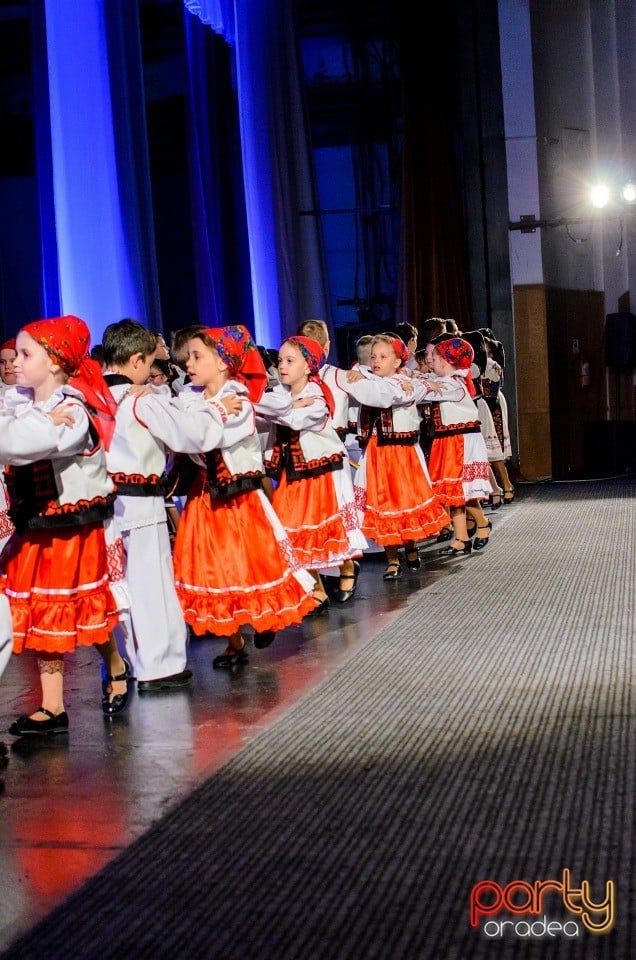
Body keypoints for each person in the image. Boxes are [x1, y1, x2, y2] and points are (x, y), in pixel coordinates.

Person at [0, 314, 130, 735]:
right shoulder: (25, 406)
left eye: (25, 354)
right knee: (38, 608)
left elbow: (24, 443)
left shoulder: (72, 408)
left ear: (55, 362)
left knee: (69, 604)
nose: (15, 363)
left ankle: (114, 664)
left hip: (68, 525)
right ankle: (54, 706)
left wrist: (30, 428)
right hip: (34, 522)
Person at [101, 319, 239, 692]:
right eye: (148, 363)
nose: (149, 372)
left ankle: (123, 662)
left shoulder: (90, 397)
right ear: (135, 360)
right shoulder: (139, 400)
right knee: (151, 586)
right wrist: (218, 411)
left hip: (103, 508)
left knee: (120, 587)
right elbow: (192, 436)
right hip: (141, 506)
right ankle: (159, 666)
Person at [172, 325, 317, 665]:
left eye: (197, 356)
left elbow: (203, 439)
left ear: (222, 363)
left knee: (246, 564)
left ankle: (261, 616)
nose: (189, 363)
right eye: (189, 356)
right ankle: (233, 639)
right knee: (211, 568)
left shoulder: (238, 400)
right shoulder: (189, 396)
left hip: (237, 497)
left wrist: (191, 422)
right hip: (204, 494)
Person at [263, 334, 368, 610]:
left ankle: (346, 567)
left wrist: (282, 408)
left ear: (308, 366)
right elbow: (261, 412)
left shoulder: (316, 395)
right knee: (291, 532)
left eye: (290, 360)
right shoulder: (280, 395)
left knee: (322, 530)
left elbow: (293, 419)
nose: (282, 366)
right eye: (280, 361)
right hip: (292, 471)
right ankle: (317, 590)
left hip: (319, 471)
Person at [343, 333, 449, 580]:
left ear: (398, 361)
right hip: (377, 453)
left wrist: (422, 384)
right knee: (382, 503)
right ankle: (392, 558)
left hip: (402, 454)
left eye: (383, 356)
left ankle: (410, 545)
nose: (376, 361)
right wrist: (360, 373)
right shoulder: (369, 381)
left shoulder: (402, 384)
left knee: (404, 501)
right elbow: (364, 381)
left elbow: (397, 391)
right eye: (373, 357)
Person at [295, 319, 363, 602]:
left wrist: (368, 375)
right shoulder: (292, 381)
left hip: (331, 450)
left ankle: (347, 566)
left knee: (333, 515)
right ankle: (316, 586)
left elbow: (374, 390)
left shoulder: (338, 376)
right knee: (308, 520)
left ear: (325, 347)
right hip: (304, 456)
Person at [414, 336, 492, 555]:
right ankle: (462, 537)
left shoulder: (452, 383)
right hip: (448, 440)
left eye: (435, 357)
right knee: (453, 492)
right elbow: (424, 381)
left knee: (460, 490)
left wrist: (412, 384)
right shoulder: (446, 380)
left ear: (447, 361)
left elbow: (423, 392)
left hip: (460, 440)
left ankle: (482, 523)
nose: (431, 361)